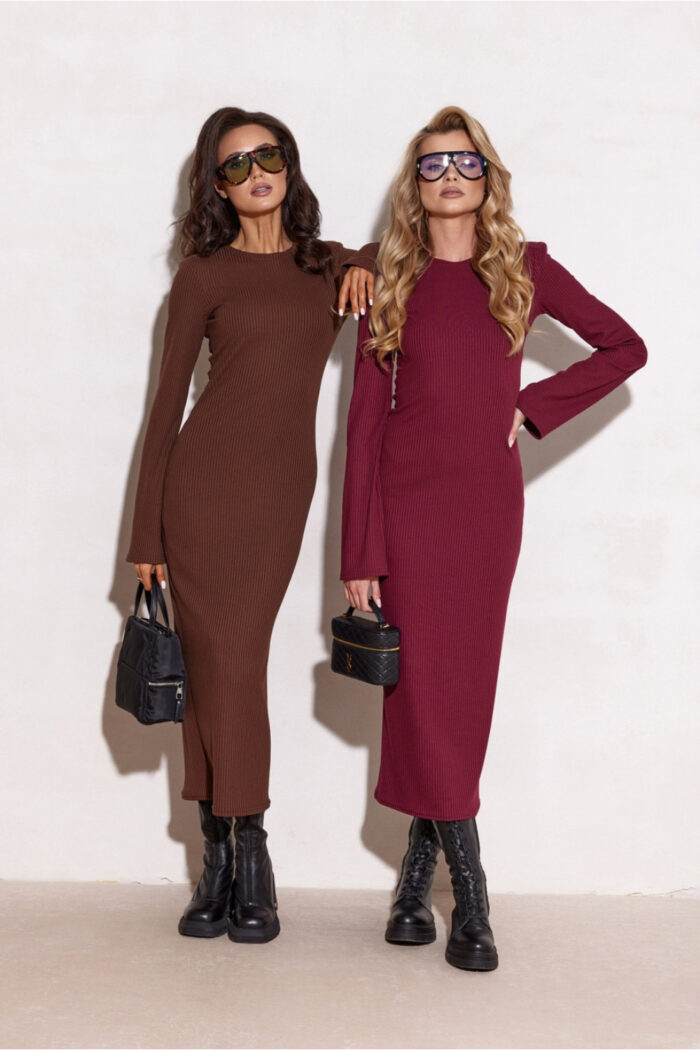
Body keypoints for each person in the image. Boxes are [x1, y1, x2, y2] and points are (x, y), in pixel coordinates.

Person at [340, 105, 647, 971]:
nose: (450, 177)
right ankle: (466, 895)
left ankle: (417, 886)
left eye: (465, 163)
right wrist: (359, 551)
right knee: (418, 692)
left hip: (482, 512)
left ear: (489, 177)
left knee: (459, 690)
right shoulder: (384, 276)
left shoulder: (526, 266)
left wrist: (532, 406)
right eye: (433, 165)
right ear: (414, 183)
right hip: (404, 509)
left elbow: (625, 347)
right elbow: (362, 426)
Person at [126, 106, 375, 944]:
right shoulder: (204, 276)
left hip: (276, 499)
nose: (255, 172)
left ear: (289, 165)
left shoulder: (325, 266)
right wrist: (145, 536)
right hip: (200, 493)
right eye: (235, 164)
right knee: (221, 668)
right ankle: (238, 856)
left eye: (267, 156)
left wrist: (364, 262)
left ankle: (228, 858)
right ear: (217, 186)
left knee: (230, 665)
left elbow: (399, 254)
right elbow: (164, 410)